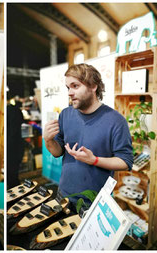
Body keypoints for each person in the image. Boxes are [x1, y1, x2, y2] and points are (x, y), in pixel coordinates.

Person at [43, 63, 133, 209]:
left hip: (94, 201)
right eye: (68, 87)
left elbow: (125, 161)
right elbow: (57, 152)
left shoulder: (116, 120)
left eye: (75, 86)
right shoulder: (66, 114)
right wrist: (48, 140)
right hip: (63, 194)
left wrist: (94, 160)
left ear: (93, 86)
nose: (69, 92)